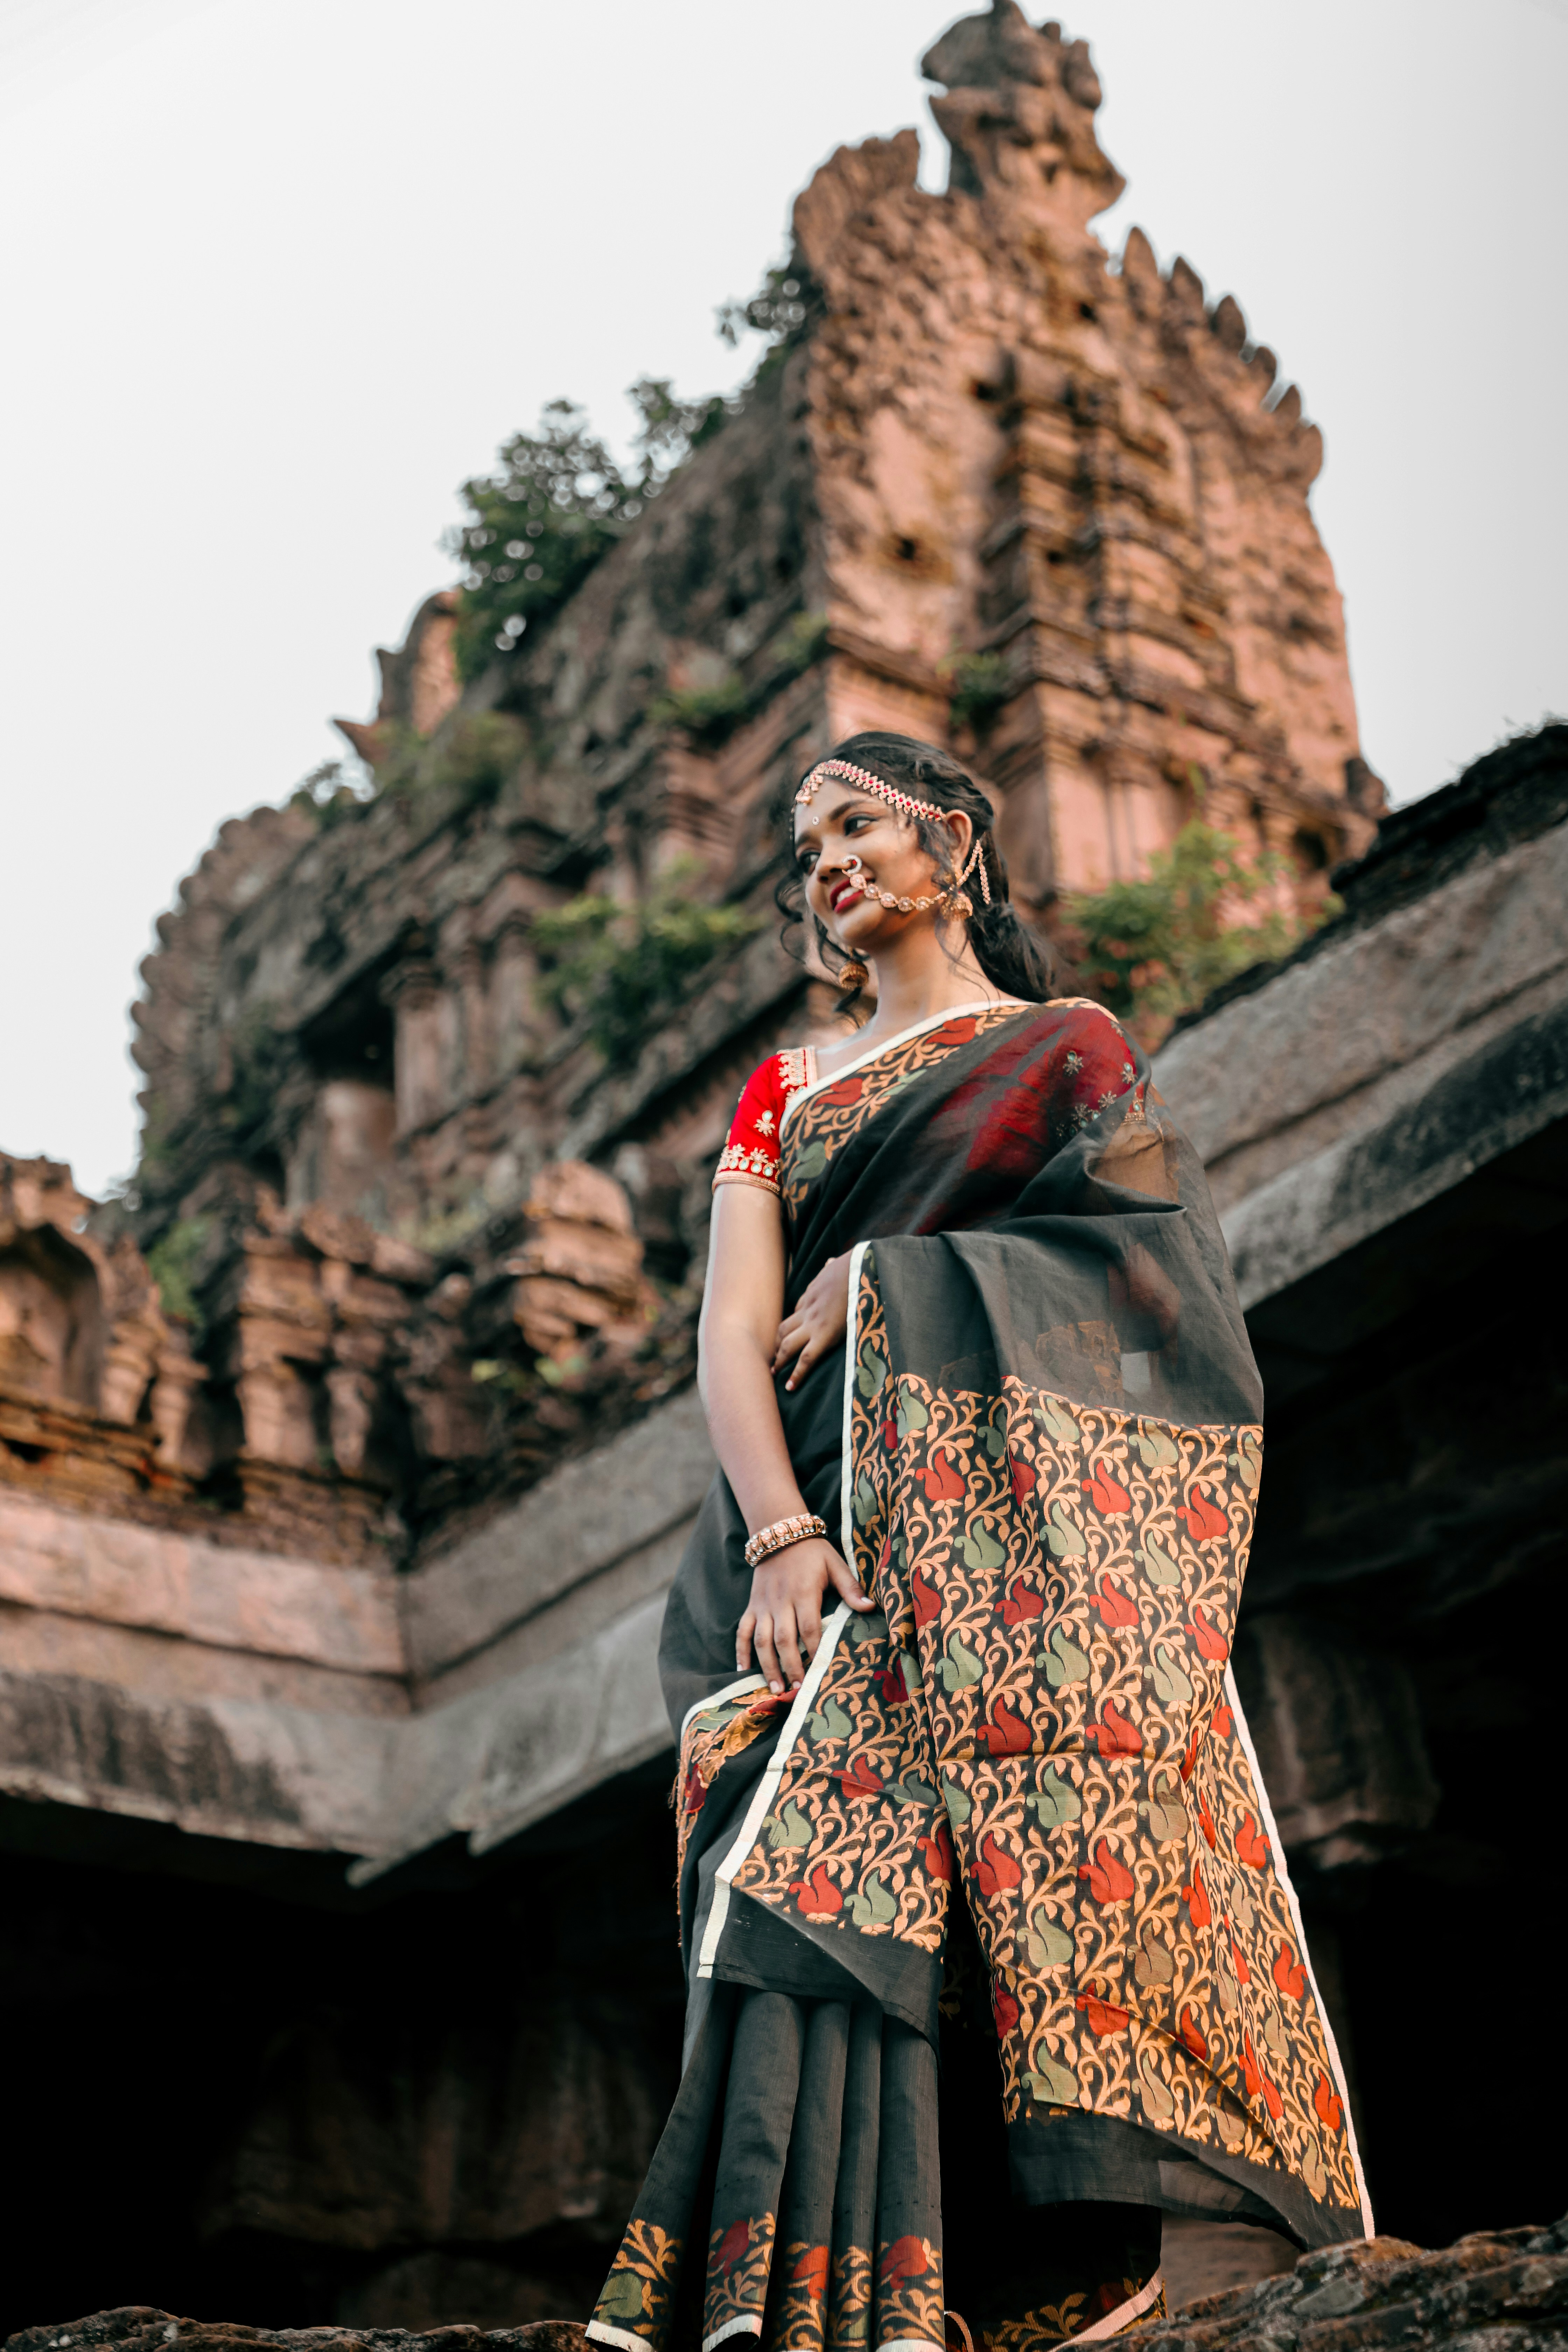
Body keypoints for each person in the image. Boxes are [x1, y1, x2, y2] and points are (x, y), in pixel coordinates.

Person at [587, 733, 1369, 2352]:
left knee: (997, 1863)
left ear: (950, 839)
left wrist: (894, 1282)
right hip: (816, 1521)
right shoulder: (784, 1089)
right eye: (807, 848)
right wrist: (783, 1538)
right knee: (783, 1858)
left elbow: (1164, 1284)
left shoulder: (1076, 1050)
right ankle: (807, 2296)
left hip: (1009, 1533)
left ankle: (1040, 2263)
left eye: (856, 824)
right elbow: (729, 1337)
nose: (829, 864)